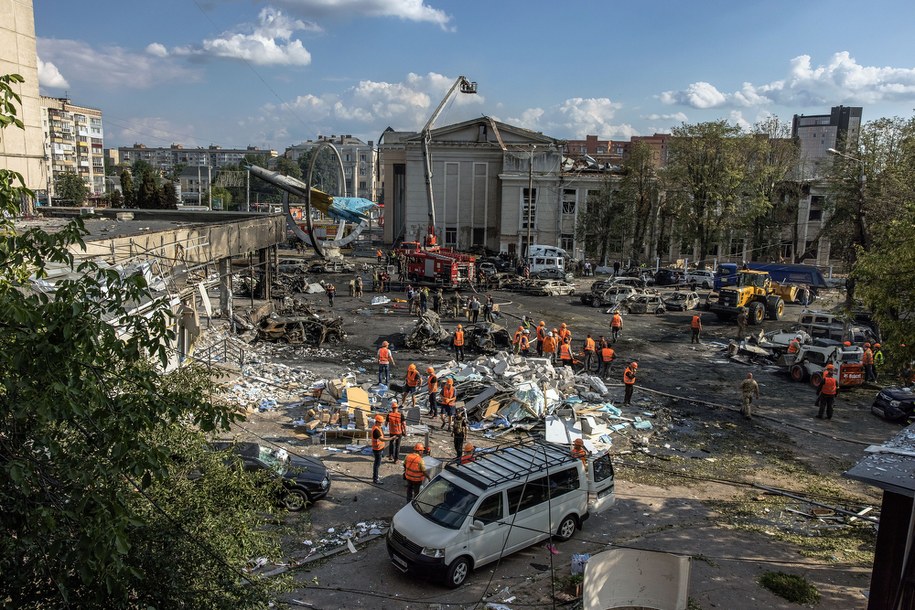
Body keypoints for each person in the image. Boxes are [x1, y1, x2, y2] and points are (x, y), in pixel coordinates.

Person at [370, 414, 390, 484]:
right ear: (377, 422)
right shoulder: (376, 430)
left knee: (377, 464)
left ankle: (376, 476)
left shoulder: (378, 428)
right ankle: (375, 479)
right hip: (377, 449)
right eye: (381, 422)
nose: (382, 424)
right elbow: (382, 439)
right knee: (377, 464)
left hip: (379, 448)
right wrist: (391, 438)